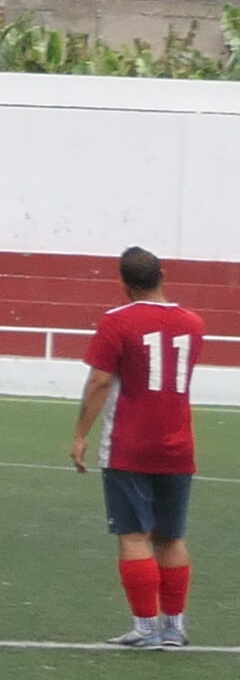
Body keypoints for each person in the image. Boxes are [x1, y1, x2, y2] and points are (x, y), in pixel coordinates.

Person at [71, 246, 207, 649]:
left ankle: (146, 628)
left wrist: (80, 434)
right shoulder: (193, 324)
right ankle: (175, 628)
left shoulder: (117, 322)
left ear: (124, 284)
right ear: (162, 276)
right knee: (171, 536)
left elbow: (100, 381)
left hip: (128, 446)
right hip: (178, 446)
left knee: (133, 536)